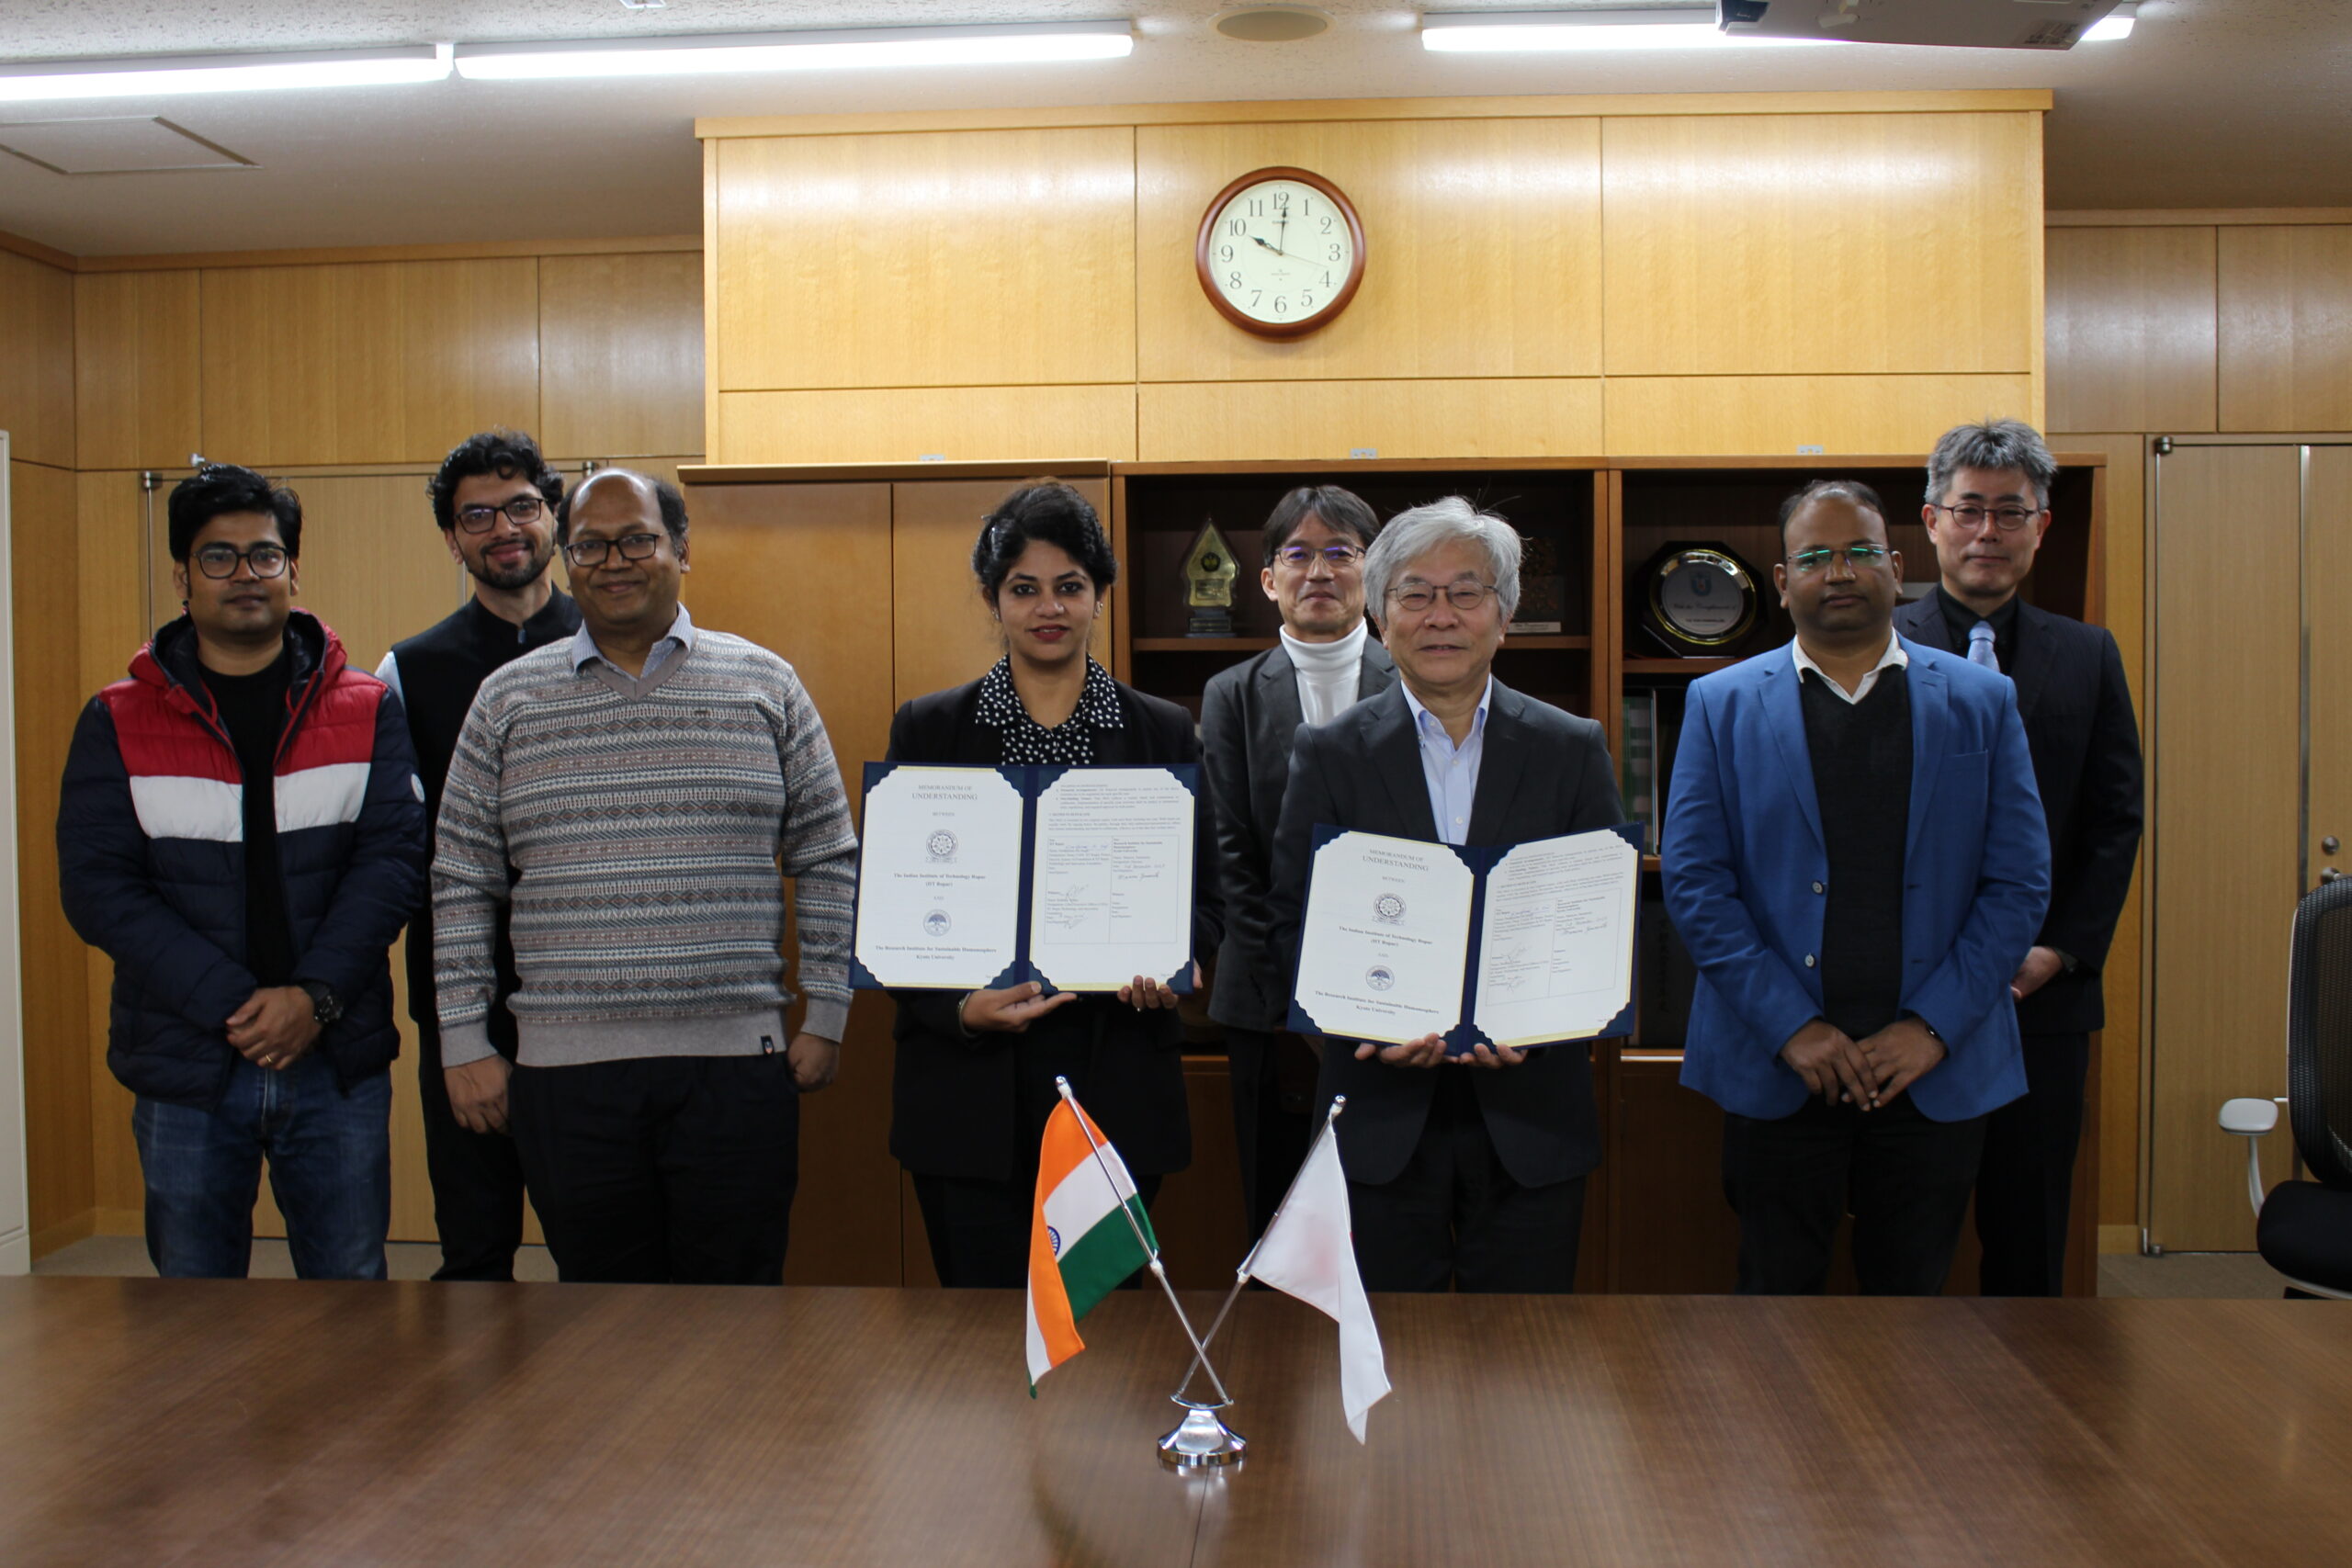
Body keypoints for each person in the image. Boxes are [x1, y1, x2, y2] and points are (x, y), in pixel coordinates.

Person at [430, 468, 856, 1284]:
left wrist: (828, 1010)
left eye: (637, 540)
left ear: (681, 549)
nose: (613, 562)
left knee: (737, 1316)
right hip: (566, 1077)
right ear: (567, 558)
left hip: (737, 1068)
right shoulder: (506, 700)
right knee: (600, 1326)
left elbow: (828, 854)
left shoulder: (766, 683)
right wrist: (463, 1037)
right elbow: (460, 879)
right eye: (590, 545)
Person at [1663, 479, 2049, 1295]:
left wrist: (1932, 1027)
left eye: (1860, 552)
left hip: (1933, 1068)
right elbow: (1696, 884)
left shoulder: (1983, 700)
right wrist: (1792, 1026)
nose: (1839, 572)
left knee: (1912, 1309)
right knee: (1775, 1306)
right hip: (1780, 1064)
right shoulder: (1719, 703)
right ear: (1781, 581)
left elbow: (2018, 882)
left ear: (1898, 567)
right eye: (1814, 557)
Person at [58, 462, 427, 1279]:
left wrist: (311, 999)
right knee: (194, 1308)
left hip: (333, 1053)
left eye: (265, 555)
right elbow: (98, 888)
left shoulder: (367, 707)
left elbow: (394, 863)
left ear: (293, 570)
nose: (245, 575)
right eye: (218, 557)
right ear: (183, 578)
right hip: (187, 1059)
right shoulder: (117, 716)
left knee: (349, 1293)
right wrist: (235, 1003)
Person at [1266, 496, 1622, 1292]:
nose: (1441, 616)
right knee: (1389, 1350)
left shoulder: (1571, 748)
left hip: (1532, 1113)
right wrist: (1365, 1023)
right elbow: (1291, 921)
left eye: (1466, 592)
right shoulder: (1330, 753)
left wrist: (1540, 1024)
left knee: (1526, 1348)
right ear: (1382, 618)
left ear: (1504, 616)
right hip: (1381, 1112)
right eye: (1415, 594)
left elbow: (1600, 924)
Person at [886, 479, 1223, 1287]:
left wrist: (1174, 962)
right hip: (969, 1093)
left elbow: (1207, 900)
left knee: (1108, 1334)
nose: (1048, 608)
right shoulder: (930, 728)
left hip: (1118, 1082)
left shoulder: (1162, 730)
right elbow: (895, 909)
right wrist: (956, 1008)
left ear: (1100, 593)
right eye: (1023, 588)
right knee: (978, 1336)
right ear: (992, 598)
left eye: (1070, 586)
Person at [1895, 420, 2144, 1296]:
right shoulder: (1878, 647)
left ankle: (2030, 1393)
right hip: (1907, 997)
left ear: (2042, 527)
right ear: (1932, 520)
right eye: (1969, 510)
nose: (1988, 533)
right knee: (1907, 1241)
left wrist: (2056, 951)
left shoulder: (2088, 654)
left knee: (2030, 1239)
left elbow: (2115, 820)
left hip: (2041, 1000)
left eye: (2011, 512)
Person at [377, 430, 582, 1282]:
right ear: (451, 537)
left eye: (523, 505)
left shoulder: (617, 644)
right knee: (474, 1248)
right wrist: (459, 1032)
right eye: (478, 515)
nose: (505, 528)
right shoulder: (407, 671)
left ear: (554, 515)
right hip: (466, 1002)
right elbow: (400, 851)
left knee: (599, 1253)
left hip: (592, 999)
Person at [1200, 485, 1394, 1239]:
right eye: (1299, 553)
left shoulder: (1414, 679)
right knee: (1280, 1222)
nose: (1320, 571)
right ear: (1267, 578)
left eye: (1341, 552)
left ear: (1373, 570)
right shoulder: (1231, 695)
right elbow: (1231, 859)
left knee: (1381, 1219)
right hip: (1266, 1002)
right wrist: (1299, 999)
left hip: (1395, 997)